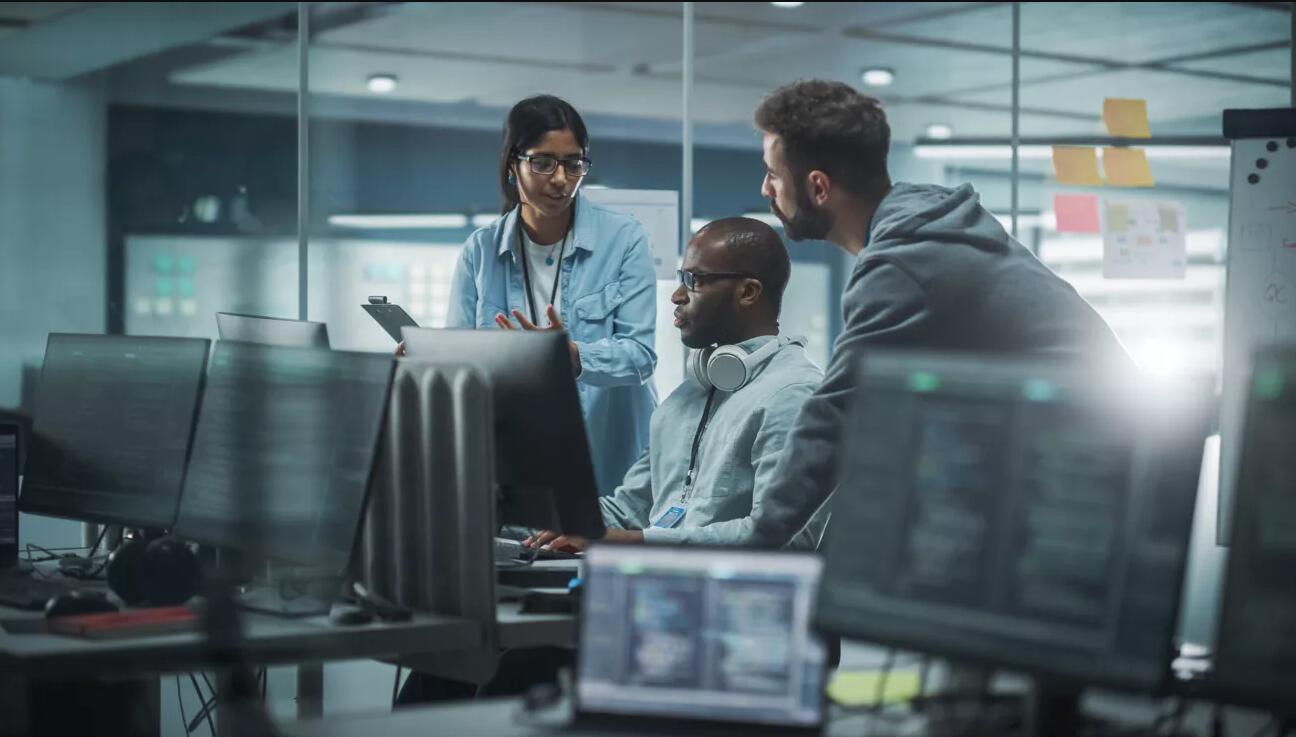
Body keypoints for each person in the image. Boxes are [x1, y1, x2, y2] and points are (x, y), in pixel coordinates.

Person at [743, 79, 1131, 549]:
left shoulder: (906, 261)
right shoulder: (924, 225)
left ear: (818, 187)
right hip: (1075, 471)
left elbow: (833, 419)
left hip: (1080, 491)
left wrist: (754, 550)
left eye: (773, 175)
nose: (765, 188)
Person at [526, 217, 826, 552]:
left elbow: (790, 538)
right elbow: (627, 512)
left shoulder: (794, 394)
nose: (677, 295)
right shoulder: (687, 396)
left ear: (748, 292)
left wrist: (631, 540)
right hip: (661, 588)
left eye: (694, 280)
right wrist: (538, 520)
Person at [446, 95, 658, 496]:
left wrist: (574, 357)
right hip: (516, 460)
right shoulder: (480, 251)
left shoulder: (624, 238)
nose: (561, 179)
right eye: (543, 162)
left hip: (610, 468)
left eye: (574, 163)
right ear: (513, 164)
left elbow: (641, 357)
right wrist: (427, 362)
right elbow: (462, 357)